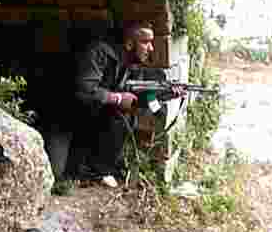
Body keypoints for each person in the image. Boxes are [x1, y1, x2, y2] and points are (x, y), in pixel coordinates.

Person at [44, 21, 183, 188]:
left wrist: (166, 96)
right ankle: (83, 169)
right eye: (146, 42)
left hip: (91, 120)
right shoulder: (99, 52)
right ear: (130, 43)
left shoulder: (132, 64)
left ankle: (100, 170)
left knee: (124, 116)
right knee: (55, 176)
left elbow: (140, 99)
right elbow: (84, 91)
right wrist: (117, 98)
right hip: (64, 118)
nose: (151, 48)